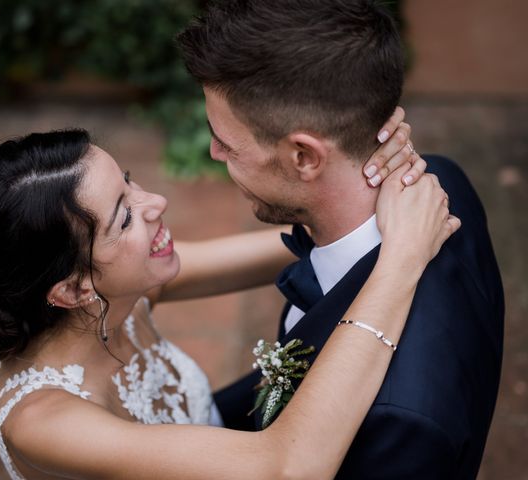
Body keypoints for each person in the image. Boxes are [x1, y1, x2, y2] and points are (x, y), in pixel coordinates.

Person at [0, 127, 456, 479]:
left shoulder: (117, 294)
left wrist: (358, 173)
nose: (155, 203)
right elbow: (289, 468)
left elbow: (294, 245)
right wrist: (402, 260)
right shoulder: (42, 422)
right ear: (72, 290)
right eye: (125, 216)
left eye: (130, 184)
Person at [177, 0, 504, 478]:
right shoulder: (442, 180)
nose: (213, 151)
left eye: (227, 143)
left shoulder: (399, 420)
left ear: (305, 157)